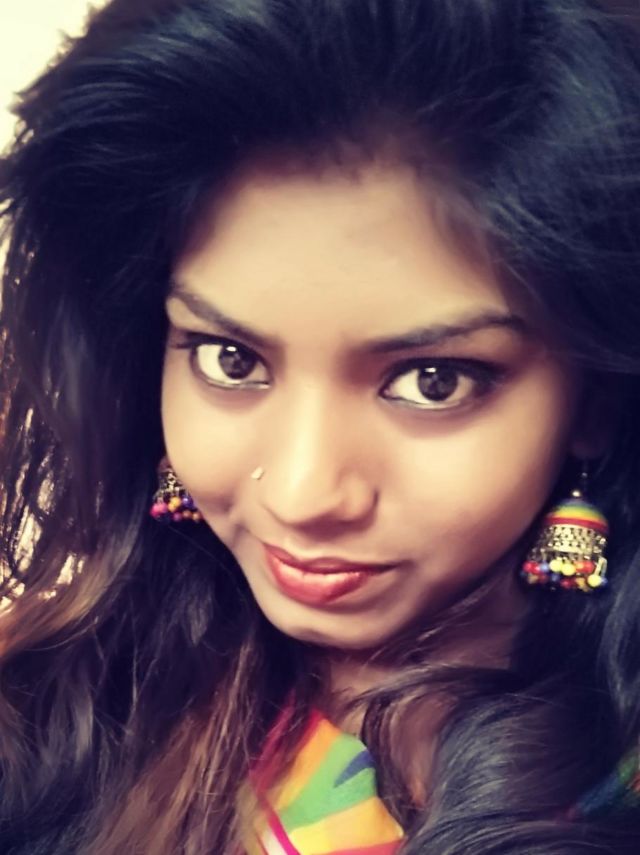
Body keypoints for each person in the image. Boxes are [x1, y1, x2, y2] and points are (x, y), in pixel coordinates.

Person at [1, 0, 639, 852]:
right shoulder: (44, 699)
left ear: (592, 400)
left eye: (433, 380)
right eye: (230, 359)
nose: (303, 496)